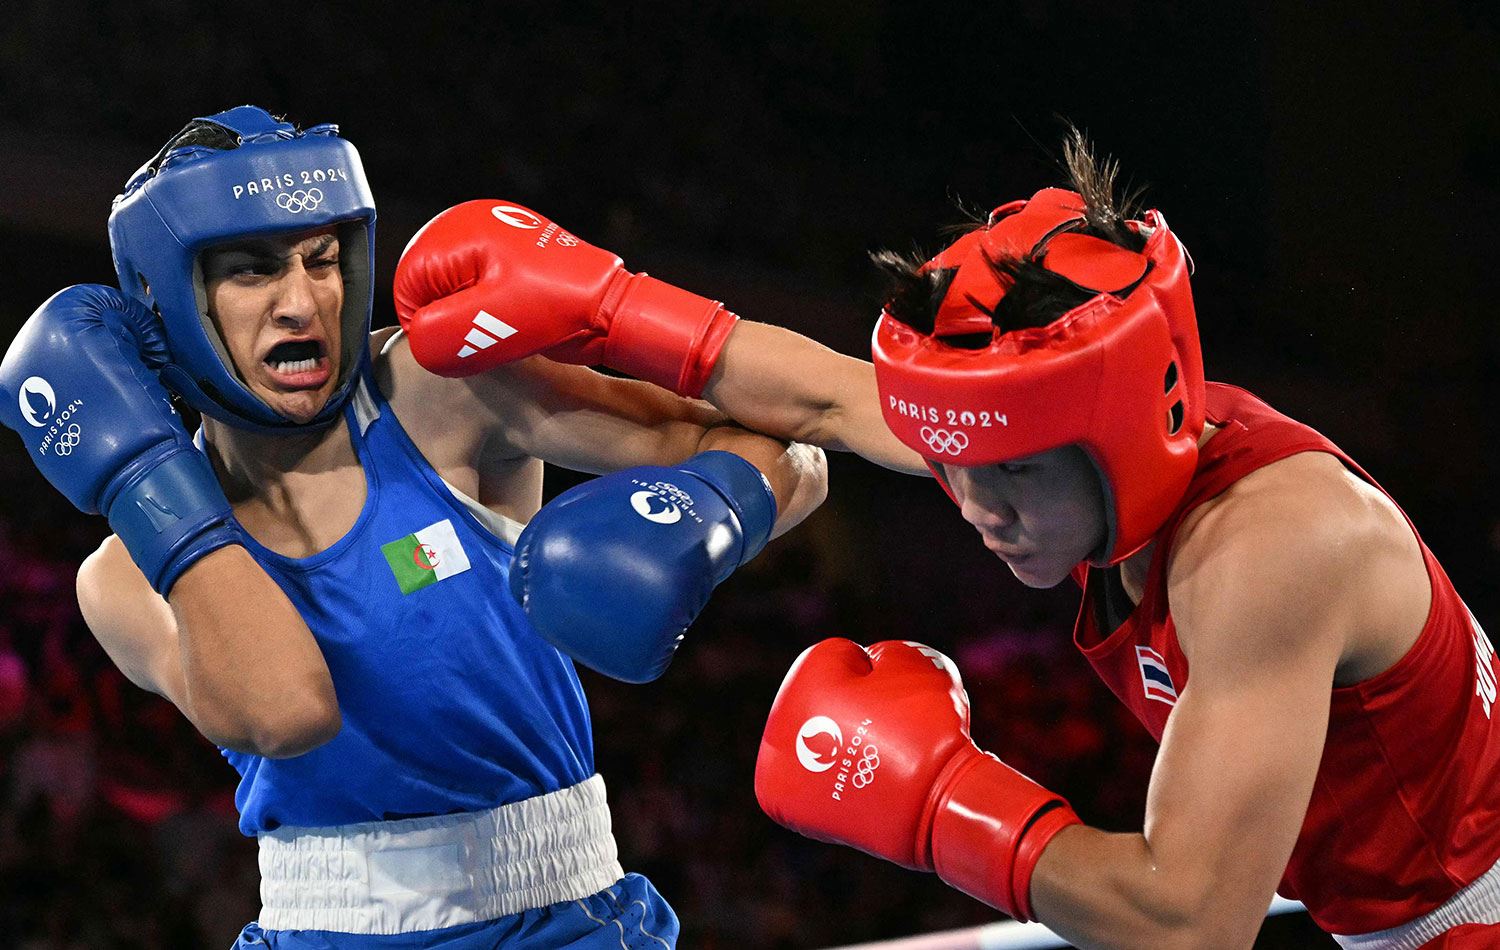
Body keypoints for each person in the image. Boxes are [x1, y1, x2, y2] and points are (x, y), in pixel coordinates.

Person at [393, 133, 1500, 947]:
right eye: (953, 460)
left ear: (1123, 436)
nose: (973, 504)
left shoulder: (1271, 550)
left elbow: (1188, 921)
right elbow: (828, 400)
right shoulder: (1055, 445)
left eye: (1007, 471)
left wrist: (942, 803)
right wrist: (611, 307)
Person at [0, 106, 828, 948]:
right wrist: (145, 481)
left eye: (322, 260)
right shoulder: (121, 581)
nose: (301, 304)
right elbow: (284, 710)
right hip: (314, 925)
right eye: (252, 270)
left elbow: (779, 445)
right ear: (166, 301)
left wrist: (712, 518)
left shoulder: (438, 393)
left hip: (555, 910)